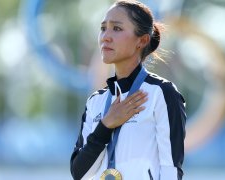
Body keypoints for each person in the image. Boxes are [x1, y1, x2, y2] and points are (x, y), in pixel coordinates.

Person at [70, 0, 186, 179]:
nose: (105, 36)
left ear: (142, 40)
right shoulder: (95, 101)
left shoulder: (162, 94)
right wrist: (106, 125)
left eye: (116, 28)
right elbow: (80, 173)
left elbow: (171, 169)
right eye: (103, 28)